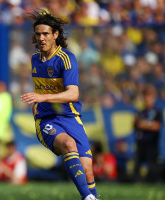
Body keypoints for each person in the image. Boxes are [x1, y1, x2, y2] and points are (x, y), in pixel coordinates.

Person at [20, 9, 98, 200]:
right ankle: (88, 198)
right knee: (68, 144)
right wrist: (40, 103)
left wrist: (42, 97)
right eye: (38, 34)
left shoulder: (66, 58)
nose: (41, 38)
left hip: (71, 118)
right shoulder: (34, 59)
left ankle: (92, 197)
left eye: (46, 33)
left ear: (55, 34)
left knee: (87, 171)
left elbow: (73, 93)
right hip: (46, 120)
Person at [133, 84, 162, 182]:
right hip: (141, 142)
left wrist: (143, 124)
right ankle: (136, 181)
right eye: (145, 96)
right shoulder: (141, 112)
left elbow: (157, 126)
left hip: (151, 143)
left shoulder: (157, 111)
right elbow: (136, 125)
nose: (146, 99)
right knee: (137, 165)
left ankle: (153, 181)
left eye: (149, 96)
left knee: (153, 165)